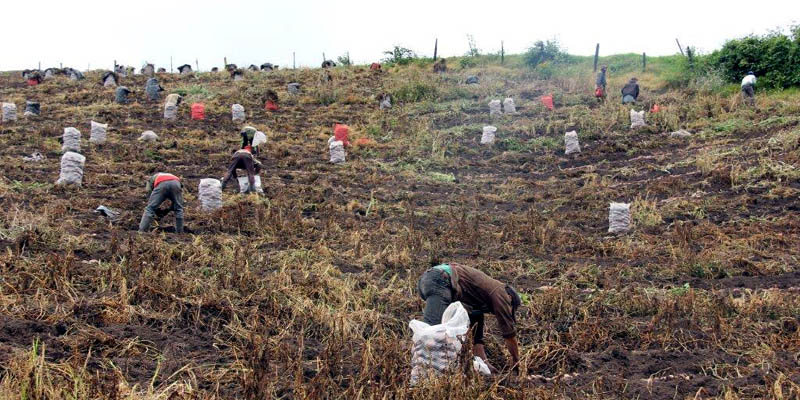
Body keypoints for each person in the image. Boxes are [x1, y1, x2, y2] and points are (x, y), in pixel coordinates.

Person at [418, 262, 522, 373]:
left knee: (439, 331)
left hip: (431, 281)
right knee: (433, 332)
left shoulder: (477, 300)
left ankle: (430, 372)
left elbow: (476, 336)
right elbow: (509, 333)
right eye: (510, 308)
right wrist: (516, 363)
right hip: (440, 280)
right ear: (510, 298)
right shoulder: (501, 293)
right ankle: (425, 374)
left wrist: (485, 364)